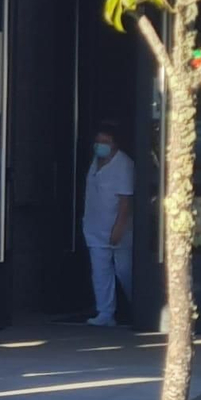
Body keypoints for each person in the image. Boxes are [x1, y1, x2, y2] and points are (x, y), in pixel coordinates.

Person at [83, 122, 134, 328]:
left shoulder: (124, 165)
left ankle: (139, 307)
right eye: (98, 141)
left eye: (105, 142)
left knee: (125, 271)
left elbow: (125, 201)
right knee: (100, 272)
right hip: (95, 228)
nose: (100, 145)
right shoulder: (96, 161)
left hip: (117, 229)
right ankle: (105, 313)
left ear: (115, 144)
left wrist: (118, 228)